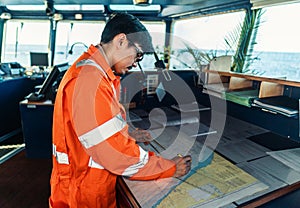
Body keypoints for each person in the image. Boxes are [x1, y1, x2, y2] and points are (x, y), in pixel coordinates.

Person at [49, 13, 191, 208]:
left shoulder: (96, 73)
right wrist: (168, 168)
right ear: (121, 40)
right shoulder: (91, 81)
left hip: (83, 182)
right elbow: (116, 155)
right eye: (138, 55)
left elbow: (96, 131)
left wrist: (127, 135)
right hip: (84, 191)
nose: (135, 63)